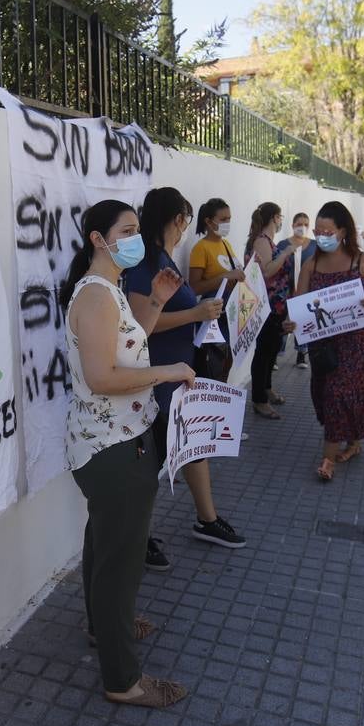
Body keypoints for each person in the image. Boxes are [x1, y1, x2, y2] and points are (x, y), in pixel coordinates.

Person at [59, 199, 193, 708]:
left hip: (117, 442)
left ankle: (102, 628)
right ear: (98, 239)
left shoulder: (107, 290)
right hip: (113, 450)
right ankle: (123, 680)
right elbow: (102, 377)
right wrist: (168, 371)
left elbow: (126, 340)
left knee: (105, 543)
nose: (139, 239)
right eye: (128, 230)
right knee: (121, 562)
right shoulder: (95, 295)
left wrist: (156, 302)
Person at [126, 187, 246, 552]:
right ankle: (136, 536)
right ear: (177, 218)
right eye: (185, 221)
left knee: (194, 444)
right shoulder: (144, 261)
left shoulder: (163, 256)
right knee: (152, 464)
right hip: (158, 376)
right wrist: (195, 313)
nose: (185, 230)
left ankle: (206, 520)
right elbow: (139, 321)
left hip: (180, 371)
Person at [289, 201, 364, 481]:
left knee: (340, 395)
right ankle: (354, 442)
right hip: (325, 347)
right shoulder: (312, 264)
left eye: (327, 230)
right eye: (317, 230)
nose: (320, 235)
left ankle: (328, 459)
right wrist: (291, 322)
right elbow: (298, 302)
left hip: (359, 344)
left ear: (343, 231)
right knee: (327, 395)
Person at [245, 202, 300, 419]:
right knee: (263, 353)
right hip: (265, 306)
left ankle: (266, 388)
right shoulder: (261, 241)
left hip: (275, 305)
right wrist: (286, 253)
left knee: (271, 351)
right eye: (280, 217)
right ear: (274, 218)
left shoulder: (267, 240)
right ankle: (259, 400)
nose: (281, 221)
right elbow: (267, 271)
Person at [187, 198, 244, 381]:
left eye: (229, 219)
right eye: (223, 219)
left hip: (230, 314)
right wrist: (224, 277)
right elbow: (194, 288)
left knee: (226, 364)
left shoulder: (226, 245)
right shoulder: (200, 248)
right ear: (209, 222)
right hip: (214, 318)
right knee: (213, 367)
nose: (227, 223)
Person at [278, 213, 316, 369]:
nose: (303, 227)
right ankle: (276, 354)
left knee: (303, 320)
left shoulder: (314, 245)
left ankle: (301, 354)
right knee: (283, 321)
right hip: (285, 289)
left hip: (306, 289)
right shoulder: (283, 245)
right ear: (293, 225)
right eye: (299, 224)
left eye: (306, 224)